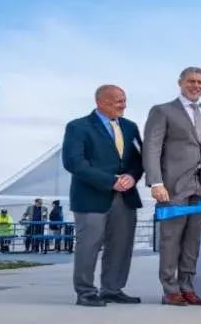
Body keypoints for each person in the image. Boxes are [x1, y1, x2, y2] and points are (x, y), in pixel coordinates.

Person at [144, 67, 201, 306]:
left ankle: (187, 286)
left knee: (193, 240)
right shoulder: (163, 111)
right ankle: (170, 289)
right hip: (172, 186)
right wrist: (156, 182)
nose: (196, 86)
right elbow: (152, 148)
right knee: (171, 238)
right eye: (191, 81)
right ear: (180, 82)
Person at [61, 84, 145, 307]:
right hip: (91, 197)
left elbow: (139, 159)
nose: (124, 105)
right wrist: (110, 181)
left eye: (124, 100)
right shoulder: (78, 127)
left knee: (121, 245)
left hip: (125, 197)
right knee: (88, 246)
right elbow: (74, 162)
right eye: (118, 101)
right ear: (101, 102)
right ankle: (86, 292)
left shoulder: (130, 127)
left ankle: (112, 289)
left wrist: (131, 176)